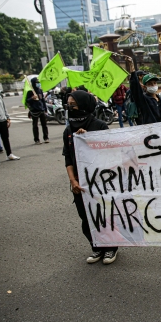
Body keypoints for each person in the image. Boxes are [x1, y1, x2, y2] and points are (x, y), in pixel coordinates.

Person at [62, 90, 118, 264]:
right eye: (68, 105)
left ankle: (111, 248)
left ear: (84, 105)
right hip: (80, 183)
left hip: (101, 181)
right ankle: (97, 247)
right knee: (86, 218)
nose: (70, 108)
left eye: (74, 104)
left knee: (104, 215)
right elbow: (68, 158)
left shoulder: (99, 126)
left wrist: (89, 140)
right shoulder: (68, 129)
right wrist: (73, 181)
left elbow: (110, 152)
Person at [25, 77, 49, 144]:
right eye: (37, 82)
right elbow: (27, 101)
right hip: (34, 111)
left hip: (41, 110)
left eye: (38, 82)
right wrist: (32, 98)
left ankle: (46, 138)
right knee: (35, 126)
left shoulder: (40, 91)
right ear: (33, 83)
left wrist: (45, 109)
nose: (38, 83)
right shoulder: (30, 92)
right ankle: (36, 140)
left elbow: (43, 100)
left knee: (44, 125)